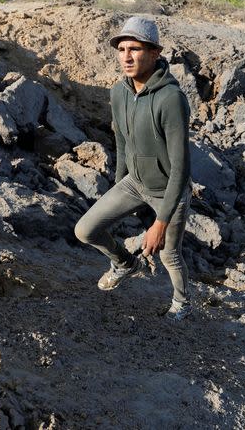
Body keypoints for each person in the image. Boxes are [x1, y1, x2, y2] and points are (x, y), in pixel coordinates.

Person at [74, 16, 193, 321]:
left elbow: (181, 166)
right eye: (121, 48)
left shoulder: (171, 99)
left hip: (169, 190)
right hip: (134, 183)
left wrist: (159, 223)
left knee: (168, 253)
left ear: (154, 53)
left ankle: (182, 302)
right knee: (85, 230)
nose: (126, 56)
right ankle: (125, 263)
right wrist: (118, 185)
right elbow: (122, 142)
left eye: (135, 49)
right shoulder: (118, 92)